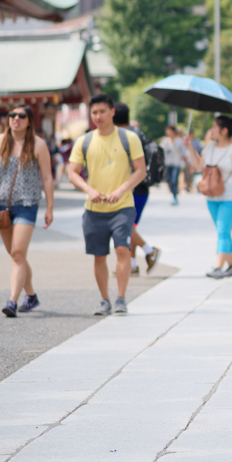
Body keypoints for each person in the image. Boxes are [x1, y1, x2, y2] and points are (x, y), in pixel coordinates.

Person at [67, 95, 146, 316]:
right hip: (94, 209)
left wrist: (122, 190)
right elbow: (72, 173)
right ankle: (105, 300)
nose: (98, 116)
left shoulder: (129, 138)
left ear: (112, 112)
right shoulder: (84, 141)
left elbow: (141, 170)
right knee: (99, 256)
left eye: (102, 111)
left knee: (122, 249)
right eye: (94, 113)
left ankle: (121, 298)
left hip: (123, 206)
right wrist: (89, 190)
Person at [0, 106, 55, 317]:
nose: (15, 119)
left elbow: (47, 178)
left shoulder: (38, 144)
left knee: (18, 253)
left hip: (27, 204)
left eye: (21, 116)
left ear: (29, 120)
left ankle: (12, 301)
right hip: (0, 203)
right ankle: (31, 295)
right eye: (12, 115)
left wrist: (50, 207)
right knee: (15, 254)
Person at [186, 116, 232, 278]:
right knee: (223, 232)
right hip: (211, 197)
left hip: (230, 196)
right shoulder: (209, 148)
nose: (211, 130)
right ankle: (231, 266)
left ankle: (218, 267)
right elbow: (198, 166)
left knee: (222, 230)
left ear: (224, 130)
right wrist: (190, 148)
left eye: (214, 127)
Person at [113, 103, 162, 276]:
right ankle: (132, 265)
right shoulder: (137, 133)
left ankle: (149, 251)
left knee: (125, 225)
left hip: (132, 187)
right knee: (130, 225)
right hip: (140, 188)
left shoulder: (125, 136)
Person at [160, 125, 186, 205]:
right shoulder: (165, 141)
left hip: (176, 163)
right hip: (167, 163)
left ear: (174, 131)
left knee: (174, 180)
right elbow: (161, 151)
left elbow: (184, 151)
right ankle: (173, 193)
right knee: (169, 180)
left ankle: (175, 196)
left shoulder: (179, 141)